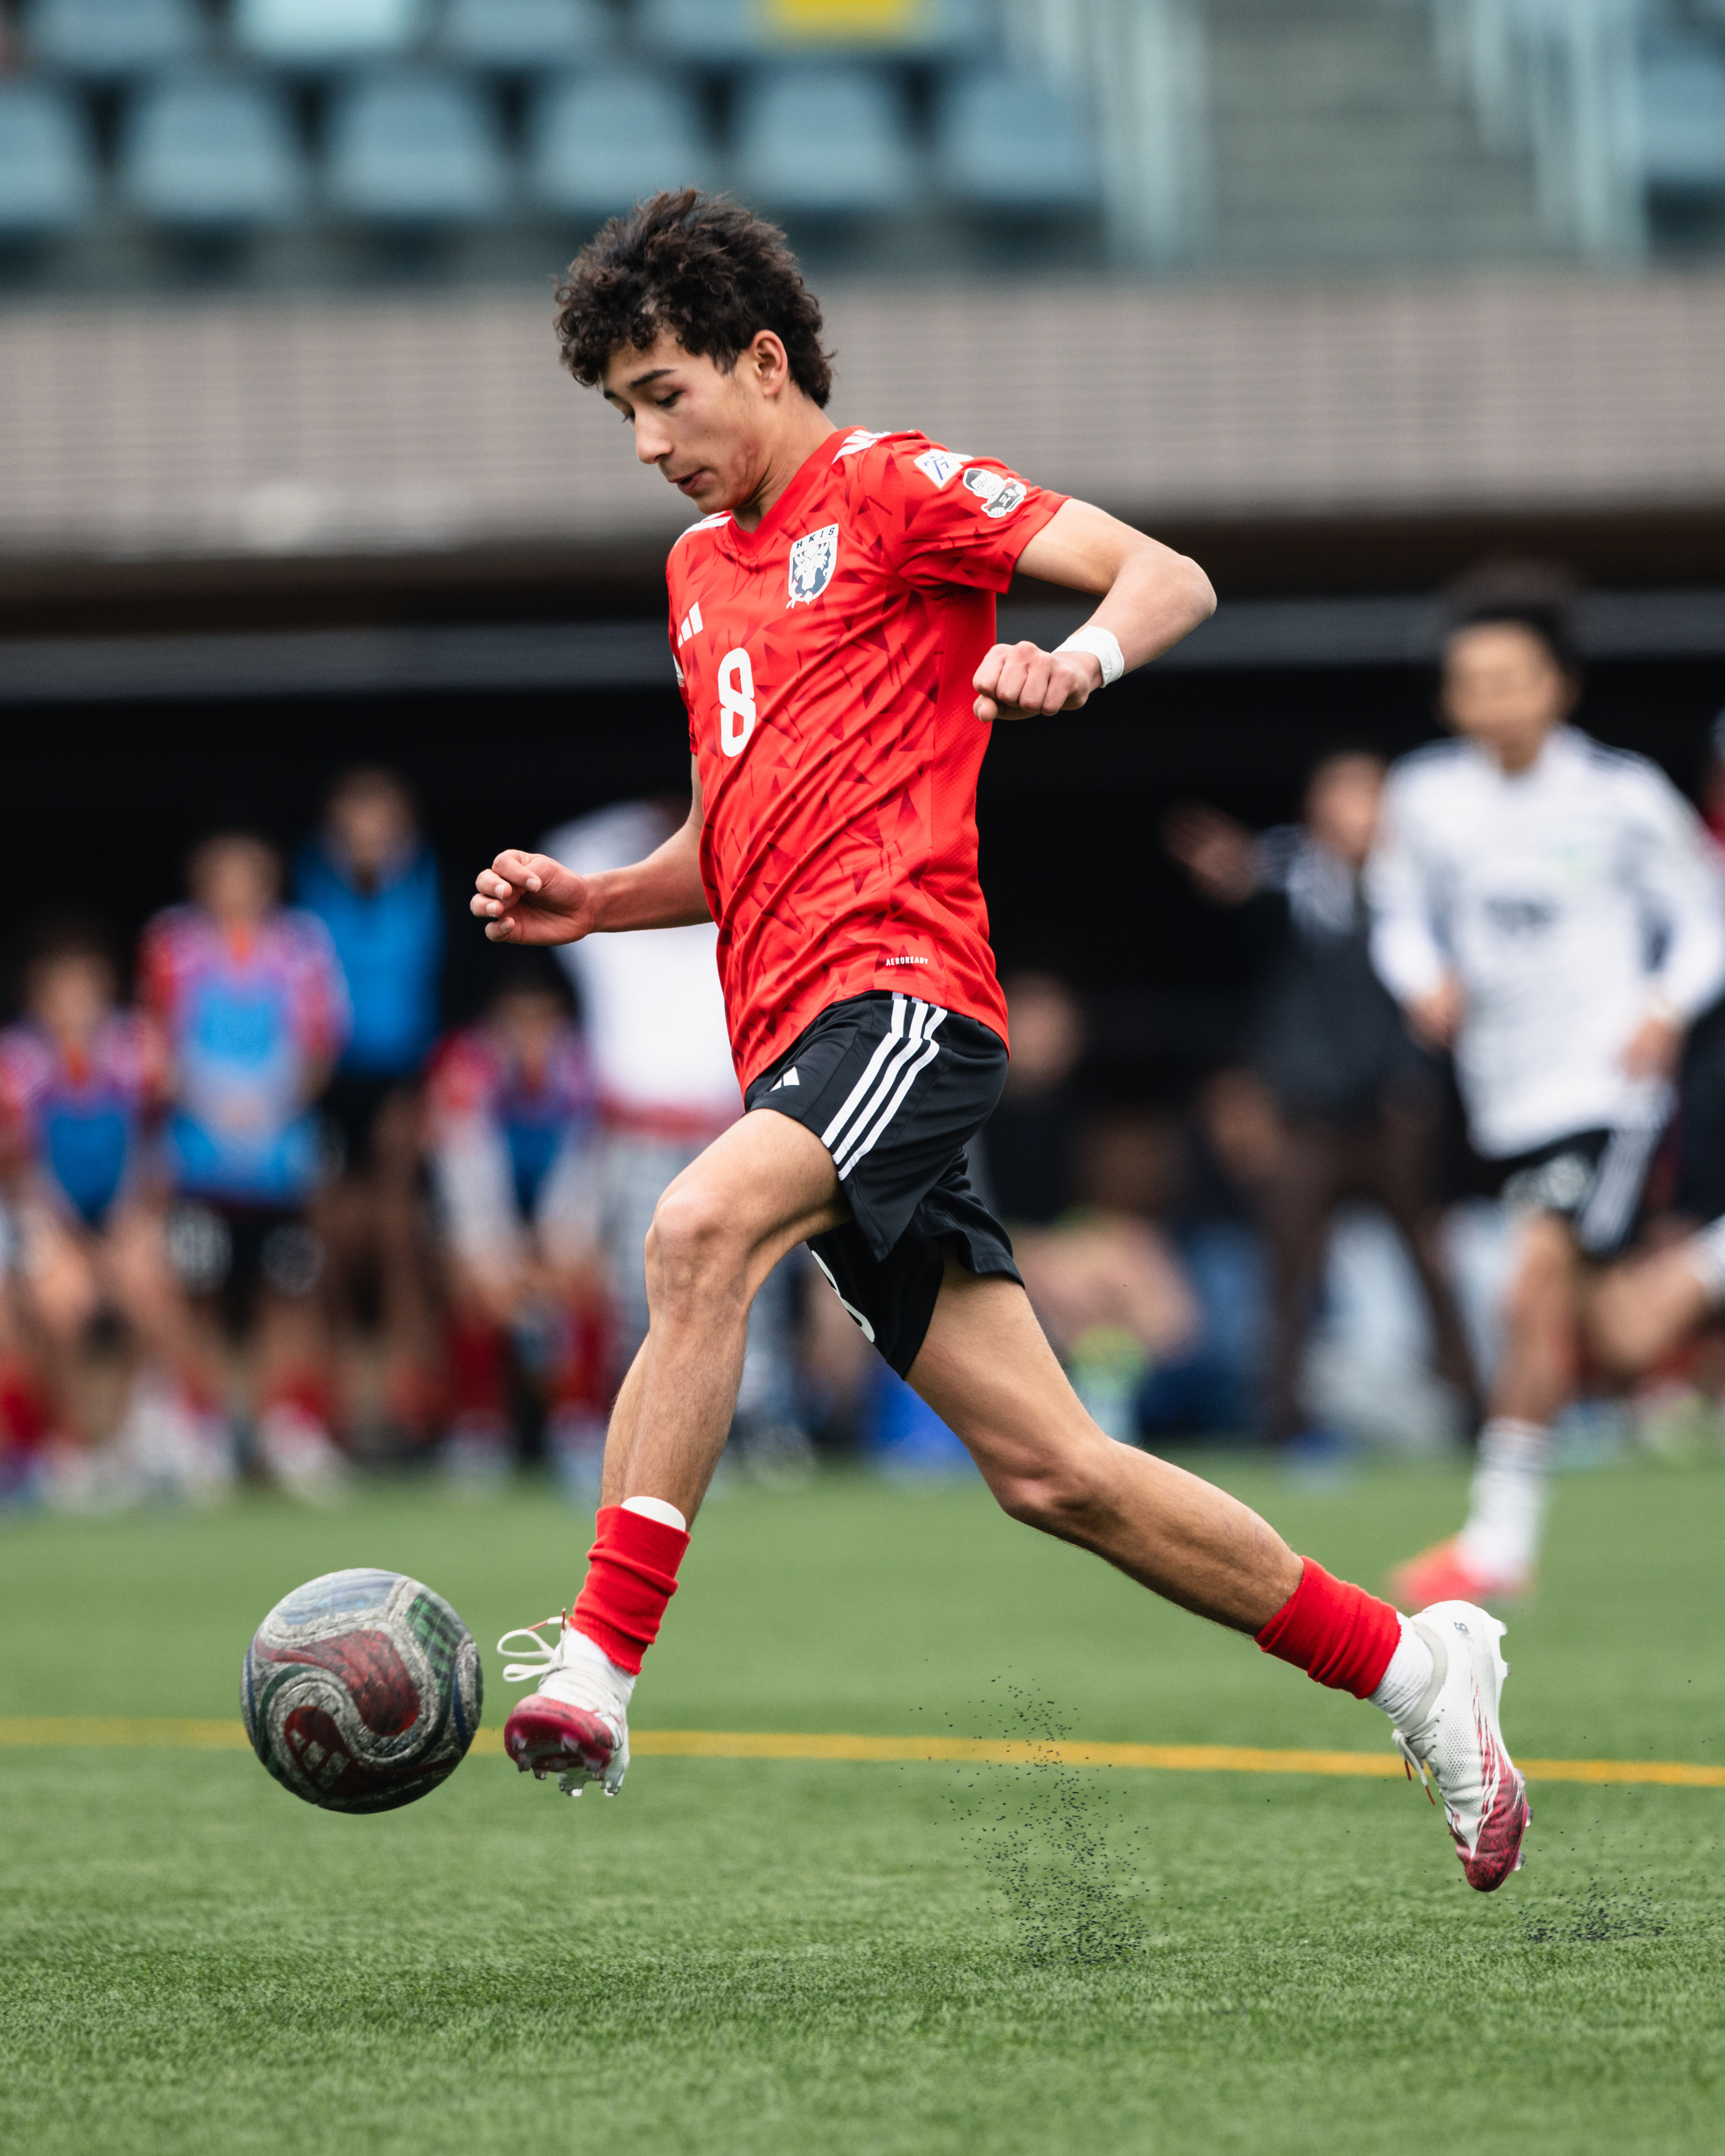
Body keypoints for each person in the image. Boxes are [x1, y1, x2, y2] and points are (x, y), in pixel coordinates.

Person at [471, 191, 1526, 1893]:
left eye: (665, 394)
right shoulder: (697, 573)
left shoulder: (889, 488)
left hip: (904, 1005)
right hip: (799, 1049)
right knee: (1057, 1474)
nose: (649, 442)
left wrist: (1078, 662)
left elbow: (1165, 575)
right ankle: (1417, 1672)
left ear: (762, 359)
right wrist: (600, 899)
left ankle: (596, 1659)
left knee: (693, 1230)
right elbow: (737, 838)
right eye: (623, 414)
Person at [1369, 575, 1725, 1606]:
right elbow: (1396, 915)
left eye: (1512, 678)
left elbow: (1706, 922)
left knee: (1526, 1285)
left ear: (1558, 685)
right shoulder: (1425, 797)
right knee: (1615, 1334)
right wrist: (1421, 980)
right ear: (1449, 695)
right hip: (1504, 1097)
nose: (1493, 699)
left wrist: (1662, 1007)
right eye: (1471, 682)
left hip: (1606, 1089)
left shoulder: (1619, 795)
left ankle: (1496, 1546)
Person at [1164, 755, 1480, 1448]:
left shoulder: (1419, 887)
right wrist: (1230, 871)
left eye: (1369, 796)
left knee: (1431, 1265)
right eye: (1342, 797)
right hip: (1309, 1117)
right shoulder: (1299, 872)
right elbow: (1253, 873)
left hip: (1392, 1117)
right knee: (1287, 1271)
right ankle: (1280, 1423)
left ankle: (1474, 1412)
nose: (1357, 813)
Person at [541, 799, 807, 1485]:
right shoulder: (611, 917)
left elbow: (788, 851)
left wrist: (714, 816)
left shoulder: (740, 902)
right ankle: (656, 1442)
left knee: (753, 1282)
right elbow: (566, 848)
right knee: (643, 1292)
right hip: (637, 1133)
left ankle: (757, 1428)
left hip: (730, 1125)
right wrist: (654, 816)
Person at [141, 835, 351, 1499]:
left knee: (287, 1290)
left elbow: (321, 1041)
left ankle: (285, 1427)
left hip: (279, 1158)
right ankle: (203, 1428)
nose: (236, 887)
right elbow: (155, 1040)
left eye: (249, 874)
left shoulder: (302, 947)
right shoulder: (172, 945)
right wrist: (212, 1099)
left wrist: (268, 1101)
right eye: (222, 875)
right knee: (198, 1291)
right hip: (200, 1157)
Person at [0, 932, 228, 1502]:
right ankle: (67, 1445)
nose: (76, 1003)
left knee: (151, 1287)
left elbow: (154, 1145)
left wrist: (131, 1221)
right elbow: (20, 1166)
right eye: (62, 992)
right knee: (64, 1302)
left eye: (86, 989)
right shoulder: (18, 1061)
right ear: (38, 998)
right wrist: (72, 1239)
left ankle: (142, 1433)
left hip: (125, 1208)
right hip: (48, 1213)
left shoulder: (137, 1050)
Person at [296, 770, 445, 1446]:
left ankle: (412, 1404)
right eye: (355, 818)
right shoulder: (307, 889)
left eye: (381, 818)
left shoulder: (431, 888)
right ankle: (336, 1405)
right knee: (325, 1243)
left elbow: (442, 993)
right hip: (327, 1090)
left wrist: (420, 1097)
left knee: (399, 1233)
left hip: (401, 1086)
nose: (368, 833)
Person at [424, 959, 608, 1486]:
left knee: (586, 1280)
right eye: (517, 1021)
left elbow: (586, 1168)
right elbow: (465, 1173)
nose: (531, 1034)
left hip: (556, 1221)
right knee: (472, 1283)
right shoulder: (465, 1068)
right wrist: (496, 1256)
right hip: (485, 1217)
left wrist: (559, 1250)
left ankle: (578, 1423)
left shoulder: (584, 1068)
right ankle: (481, 1426)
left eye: (543, 1020)